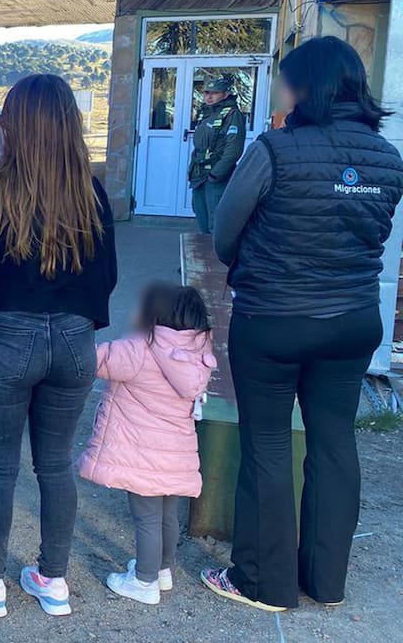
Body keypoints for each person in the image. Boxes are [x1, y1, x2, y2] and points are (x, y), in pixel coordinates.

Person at [204, 36, 403, 611]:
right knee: (335, 442)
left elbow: (224, 233)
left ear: (306, 87)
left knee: (266, 445)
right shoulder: (388, 157)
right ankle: (326, 581)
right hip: (354, 321)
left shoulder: (274, 149)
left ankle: (263, 583)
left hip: (275, 319)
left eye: (286, 81)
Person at [0, 74, 117, 619]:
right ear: (69, 123)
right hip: (73, 339)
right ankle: (53, 579)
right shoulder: (90, 191)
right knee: (55, 465)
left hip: (2, 339)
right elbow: (107, 275)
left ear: (11, 123)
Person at [78, 283, 215, 606]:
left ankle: (144, 581)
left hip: (141, 455)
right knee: (167, 515)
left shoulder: (139, 348)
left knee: (147, 520)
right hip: (176, 457)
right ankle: (163, 569)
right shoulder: (197, 354)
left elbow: (91, 361)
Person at [187, 77, 246, 233]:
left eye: (215, 93)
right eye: (206, 92)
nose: (209, 97)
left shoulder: (232, 115)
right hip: (199, 175)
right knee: (201, 216)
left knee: (216, 221)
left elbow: (233, 150)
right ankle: (205, 254)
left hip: (215, 176)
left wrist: (216, 174)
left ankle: (216, 256)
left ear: (226, 94)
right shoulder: (206, 113)